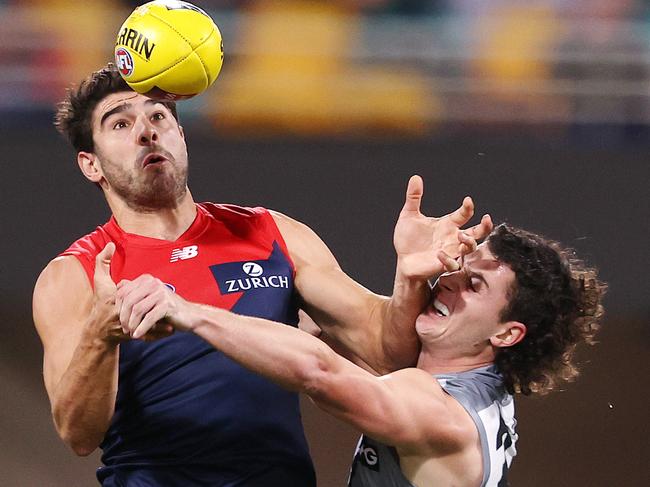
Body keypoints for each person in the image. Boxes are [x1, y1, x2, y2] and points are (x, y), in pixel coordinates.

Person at [32, 63, 492, 486]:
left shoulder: (270, 232)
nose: (146, 133)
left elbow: (387, 353)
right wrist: (99, 336)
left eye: (158, 117)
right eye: (120, 123)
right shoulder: (74, 275)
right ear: (90, 164)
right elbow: (77, 434)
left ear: (180, 135)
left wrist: (409, 277)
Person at [115, 223, 606, 487]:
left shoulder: (439, 412)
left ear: (507, 334)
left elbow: (319, 373)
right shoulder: (474, 386)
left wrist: (190, 311)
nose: (450, 282)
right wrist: (409, 276)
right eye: (461, 266)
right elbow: (362, 355)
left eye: (474, 285)